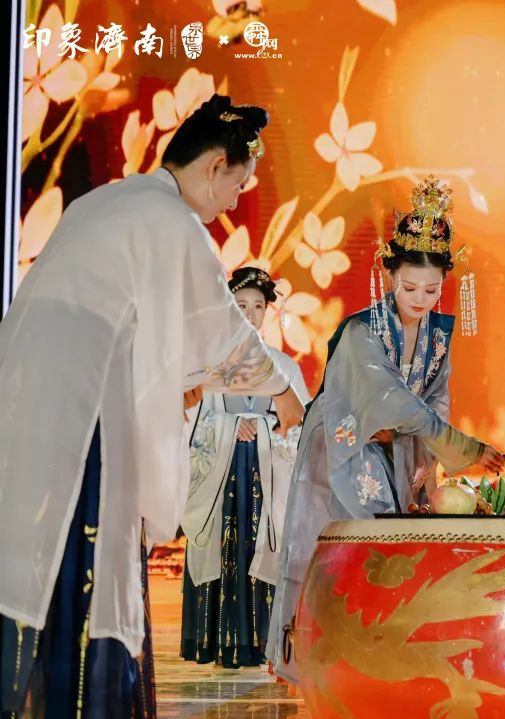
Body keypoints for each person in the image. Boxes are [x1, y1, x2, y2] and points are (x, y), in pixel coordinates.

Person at [0, 95, 305, 717]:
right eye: (238, 184)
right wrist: (282, 391)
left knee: (31, 551)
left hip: (28, 390)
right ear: (214, 166)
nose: (234, 202)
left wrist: (175, 385)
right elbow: (219, 332)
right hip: (85, 405)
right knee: (83, 555)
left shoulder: (107, 201)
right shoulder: (172, 221)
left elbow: (148, 330)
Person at [266, 176, 505, 684]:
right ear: (389, 275)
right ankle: (324, 659)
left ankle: (379, 657)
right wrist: (463, 447)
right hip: (342, 445)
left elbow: (435, 400)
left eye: (432, 290)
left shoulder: (437, 337)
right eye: (409, 287)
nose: (420, 299)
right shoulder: (362, 331)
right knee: (339, 546)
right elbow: (389, 400)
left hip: (396, 446)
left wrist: (424, 455)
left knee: (392, 542)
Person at [180, 267, 310, 668]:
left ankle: (263, 644)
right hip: (221, 483)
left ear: (267, 312)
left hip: (266, 484)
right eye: (240, 306)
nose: (250, 315)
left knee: (262, 551)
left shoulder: (284, 368)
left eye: (257, 307)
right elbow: (189, 426)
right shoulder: (206, 367)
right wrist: (231, 426)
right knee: (223, 551)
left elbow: (302, 430)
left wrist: (266, 428)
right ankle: (218, 642)